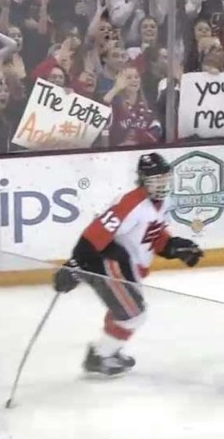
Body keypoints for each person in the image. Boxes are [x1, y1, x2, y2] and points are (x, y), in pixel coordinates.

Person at [53, 153, 203, 376]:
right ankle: (100, 357)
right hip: (111, 265)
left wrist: (175, 247)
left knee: (124, 312)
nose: (162, 185)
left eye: (165, 179)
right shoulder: (131, 203)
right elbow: (95, 233)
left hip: (127, 269)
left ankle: (107, 351)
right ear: (143, 180)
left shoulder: (160, 204)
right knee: (134, 315)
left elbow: (154, 235)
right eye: (156, 180)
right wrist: (75, 263)